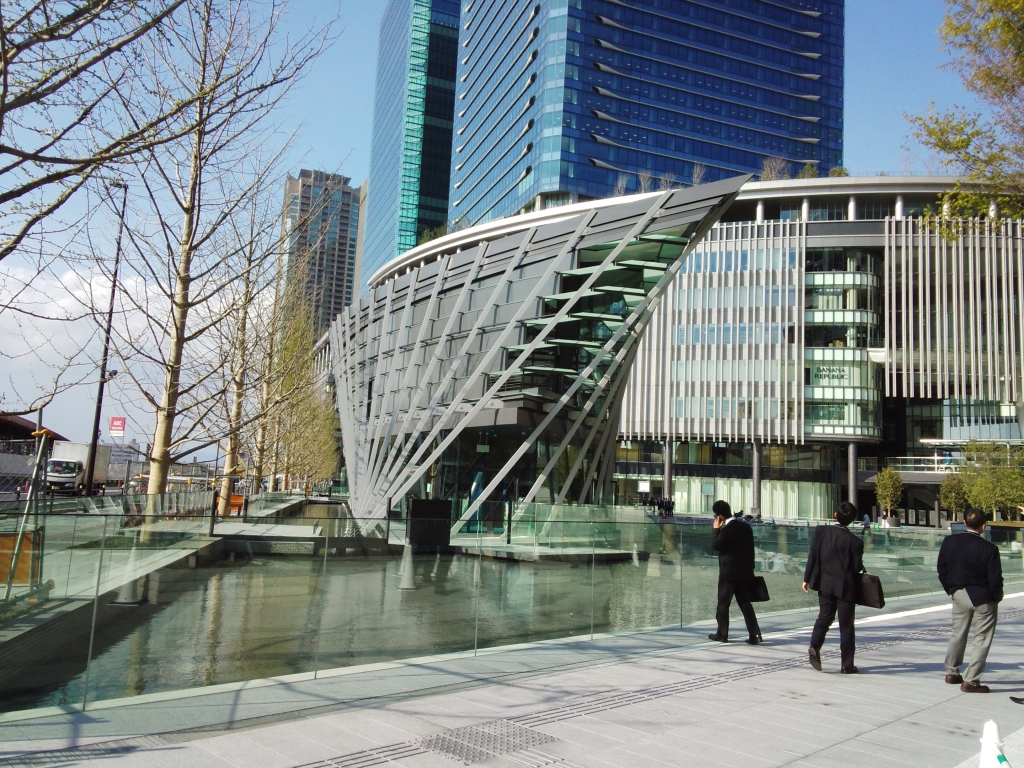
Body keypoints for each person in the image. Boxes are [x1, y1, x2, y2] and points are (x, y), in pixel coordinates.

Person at [937, 507, 1003, 693]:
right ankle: (971, 680)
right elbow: (995, 578)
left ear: (964, 523)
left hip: (959, 593)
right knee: (981, 638)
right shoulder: (990, 548)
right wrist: (996, 596)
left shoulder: (949, 542)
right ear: (983, 526)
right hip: (983, 596)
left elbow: (942, 568)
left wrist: (951, 589)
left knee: (957, 633)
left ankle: (951, 671)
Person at [803, 501, 865, 674]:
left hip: (824, 583)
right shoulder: (856, 542)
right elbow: (856, 567)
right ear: (852, 520)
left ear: (835, 515)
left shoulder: (821, 531)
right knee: (846, 625)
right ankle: (847, 664)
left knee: (824, 617)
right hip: (845, 587)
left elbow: (812, 556)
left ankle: (815, 645)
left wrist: (807, 579)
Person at [709, 499, 762, 645]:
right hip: (745, 572)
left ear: (720, 516)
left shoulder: (726, 530)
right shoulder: (746, 527)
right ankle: (755, 634)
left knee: (723, 604)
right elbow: (751, 550)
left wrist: (716, 529)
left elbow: (716, 545)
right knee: (745, 603)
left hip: (728, 574)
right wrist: (751, 570)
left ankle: (722, 634)